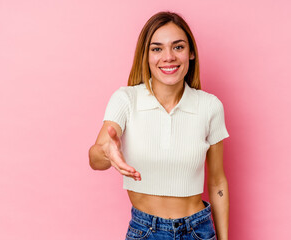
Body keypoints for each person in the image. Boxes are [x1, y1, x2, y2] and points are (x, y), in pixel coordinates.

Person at [89, 11, 230, 240]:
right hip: (145, 230)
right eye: (157, 49)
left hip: (198, 231)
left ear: (191, 52)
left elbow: (217, 182)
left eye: (178, 47)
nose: (168, 57)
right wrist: (107, 152)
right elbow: (96, 158)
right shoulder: (126, 99)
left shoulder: (210, 106)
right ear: (145, 55)